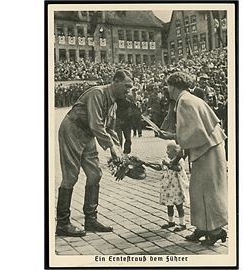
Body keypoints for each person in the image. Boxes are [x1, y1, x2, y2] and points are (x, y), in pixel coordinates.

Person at [56, 69, 133, 237]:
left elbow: (110, 130)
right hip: (73, 129)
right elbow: (96, 124)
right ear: (115, 81)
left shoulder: (113, 102)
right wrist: (111, 148)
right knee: (71, 176)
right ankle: (62, 223)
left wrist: (119, 153)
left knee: (95, 174)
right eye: (126, 86)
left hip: (87, 134)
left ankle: (90, 220)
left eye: (131, 87)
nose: (129, 91)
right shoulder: (97, 93)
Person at [158, 71, 228, 246]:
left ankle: (215, 230)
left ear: (173, 86)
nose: (167, 89)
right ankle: (204, 227)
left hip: (207, 149)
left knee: (208, 191)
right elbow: (194, 131)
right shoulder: (187, 99)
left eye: (168, 85)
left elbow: (194, 133)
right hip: (209, 147)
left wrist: (170, 135)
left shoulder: (184, 101)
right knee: (200, 191)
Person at [144, 141, 189, 232]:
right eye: (167, 149)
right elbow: (159, 167)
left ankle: (182, 223)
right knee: (169, 205)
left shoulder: (179, 160)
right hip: (168, 186)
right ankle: (171, 221)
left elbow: (177, 168)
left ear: (175, 152)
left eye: (169, 150)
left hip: (177, 187)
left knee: (179, 205)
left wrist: (167, 164)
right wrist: (149, 165)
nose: (167, 152)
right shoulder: (165, 159)